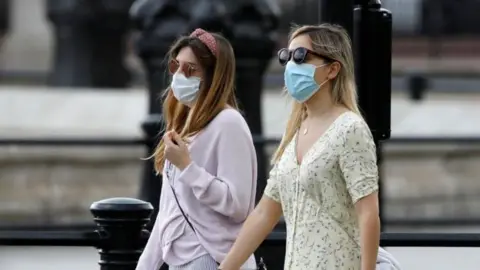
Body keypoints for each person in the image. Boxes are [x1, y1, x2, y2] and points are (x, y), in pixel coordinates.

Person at [219, 23, 383, 270]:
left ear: (332, 69)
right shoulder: (295, 130)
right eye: (286, 57)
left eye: (301, 56)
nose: (291, 66)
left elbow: (368, 214)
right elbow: (265, 213)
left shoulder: (350, 129)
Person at [136, 28, 257, 270]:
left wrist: (187, 167)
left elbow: (237, 204)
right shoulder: (184, 124)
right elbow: (170, 211)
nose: (179, 75)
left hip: (210, 257)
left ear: (213, 76)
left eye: (190, 69)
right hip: (181, 260)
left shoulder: (228, 123)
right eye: (176, 66)